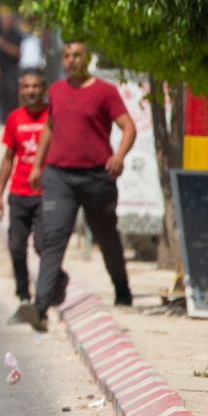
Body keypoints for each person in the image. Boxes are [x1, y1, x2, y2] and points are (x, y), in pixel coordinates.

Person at [27, 40, 137, 328]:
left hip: (96, 178)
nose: (71, 60)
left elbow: (128, 127)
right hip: (59, 177)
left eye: (77, 55)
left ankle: (122, 288)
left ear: (87, 59)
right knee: (52, 238)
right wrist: (38, 164)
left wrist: (119, 156)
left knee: (106, 237)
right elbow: (50, 127)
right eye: (66, 55)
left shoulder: (105, 92)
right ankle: (40, 307)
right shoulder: (56, 91)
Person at [0, 70, 55, 328]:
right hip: (19, 194)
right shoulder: (14, 119)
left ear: (44, 89)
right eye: (26, 87)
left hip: (47, 194)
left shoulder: (53, 118)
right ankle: (24, 297)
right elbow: (8, 158)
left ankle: (45, 298)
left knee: (43, 246)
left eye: (35, 86)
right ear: (20, 91)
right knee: (17, 247)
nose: (31, 91)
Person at [0, 8, 23, 121]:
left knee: (13, 98)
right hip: (2, 72)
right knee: (2, 99)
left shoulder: (15, 35)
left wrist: (3, 45)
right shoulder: (0, 34)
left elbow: (17, 53)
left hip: (13, 71)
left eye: (6, 19)